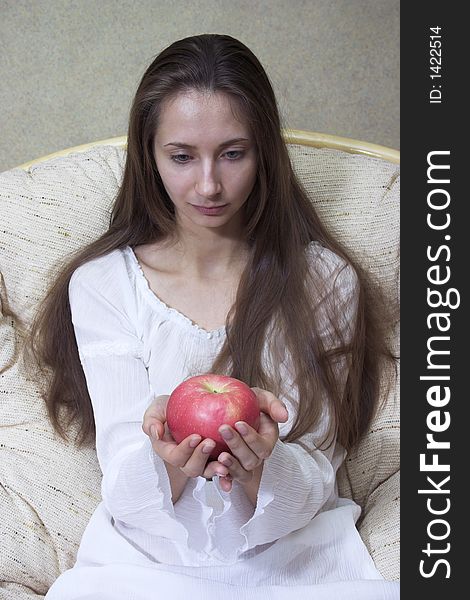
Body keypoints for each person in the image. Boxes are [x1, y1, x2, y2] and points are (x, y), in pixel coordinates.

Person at [28, 34, 399, 599]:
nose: (208, 185)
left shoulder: (324, 281)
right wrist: (166, 458)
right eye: (181, 157)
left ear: (265, 152)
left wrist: (262, 470)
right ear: (148, 157)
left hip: (296, 562)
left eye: (232, 153)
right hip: (144, 564)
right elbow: (125, 490)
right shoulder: (105, 284)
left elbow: (318, 474)